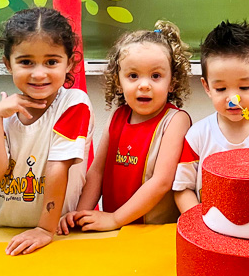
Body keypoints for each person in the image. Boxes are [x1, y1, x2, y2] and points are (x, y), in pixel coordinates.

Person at [0, 8, 93, 255]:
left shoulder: (74, 103)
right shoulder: (5, 112)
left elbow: (58, 167)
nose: (39, 74)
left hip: (57, 232)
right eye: (26, 62)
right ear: (8, 64)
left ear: (70, 63)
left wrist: (44, 229)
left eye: (51, 62)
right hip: (4, 232)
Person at [59, 22, 192, 232]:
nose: (144, 85)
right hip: (114, 232)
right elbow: (97, 173)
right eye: (133, 76)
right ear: (118, 82)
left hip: (153, 233)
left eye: (156, 76)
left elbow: (161, 182)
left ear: (172, 82)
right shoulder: (117, 117)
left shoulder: (176, 120)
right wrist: (79, 214)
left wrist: (115, 219)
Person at [173, 21, 249, 212]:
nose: (233, 99)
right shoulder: (197, 136)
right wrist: (198, 223)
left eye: (244, 87)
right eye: (221, 88)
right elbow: (183, 189)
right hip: (207, 226)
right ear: (207, 87)